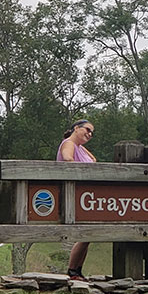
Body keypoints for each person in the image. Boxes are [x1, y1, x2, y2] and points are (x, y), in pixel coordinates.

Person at [58, 119, 96, 280]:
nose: (89, 134)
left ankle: (77, 270)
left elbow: (94, 160)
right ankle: (73, 270)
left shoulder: (79, 147)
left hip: (85, 195)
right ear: (76, 128)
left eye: (92, 133)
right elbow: (67, 159)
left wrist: (81, 145)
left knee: (88, 235)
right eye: (87, 130)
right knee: (85, 234)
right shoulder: (68, 144)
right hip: (72, 193)